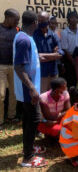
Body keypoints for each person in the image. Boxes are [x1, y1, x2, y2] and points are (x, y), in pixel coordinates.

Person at [13, 10, 48, 167]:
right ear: (35, 23)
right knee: (34, 119)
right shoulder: (24, 40)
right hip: (28, 89)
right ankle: (28, 158)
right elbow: (19, 66)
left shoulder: (25, 37)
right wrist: (32, 88)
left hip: (29, 88)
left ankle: (29, 147)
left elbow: (29, 60)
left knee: (28, 119)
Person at [33, 11, 62, 93]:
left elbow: (60, 54)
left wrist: (42, 55)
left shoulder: (53, 36)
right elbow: (36, 57)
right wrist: (53, 56)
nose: (40, 23)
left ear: (48, 22)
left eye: (43, 21)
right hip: (41, 74)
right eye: (39, 21)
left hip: (53, 72)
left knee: (54, 96)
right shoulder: (33, 36)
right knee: (42, 98)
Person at [0, 8, 19, 129]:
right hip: (0, 66)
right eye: (16, 20)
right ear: (7, 18)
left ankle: (11, 116)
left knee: (14, 92)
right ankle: (0, 121)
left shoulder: (17, 30)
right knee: (0, 95)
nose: (17, 22)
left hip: (13, 65)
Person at [61, 11, 78, 87]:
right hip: (69, 58)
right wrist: (72, 60)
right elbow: (64, 49)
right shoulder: (64, 32)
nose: (74, 19)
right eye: (72, 18)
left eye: (76, 18)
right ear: (68, 20)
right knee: (71, 81)